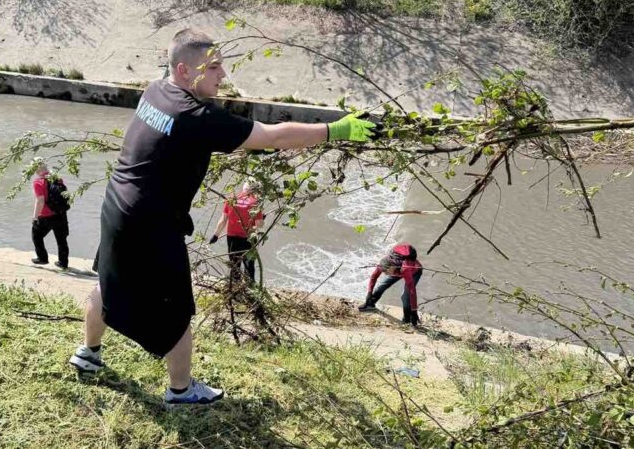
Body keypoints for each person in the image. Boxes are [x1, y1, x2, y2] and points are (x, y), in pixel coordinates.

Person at [68, 28, 380, 407]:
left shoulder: (155, 91)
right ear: (184, 70)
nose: (223, 74)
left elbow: (187, 141)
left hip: (117, 206)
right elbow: (272, 136)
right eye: (213, 67)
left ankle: (88, 353)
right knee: (176, 311)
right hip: (152, 224)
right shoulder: (196, 115)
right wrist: (336, 129)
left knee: (109, 283)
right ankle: (181, 391)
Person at [209, 180, 264, 282]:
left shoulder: (231, 199)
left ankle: (235, 285)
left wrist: (216, 235)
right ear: (256, 190)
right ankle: (250, 285)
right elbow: (259, 224)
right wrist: (262, 217)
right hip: (248, 238)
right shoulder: (255, 203)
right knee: (249, 265)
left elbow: (223, 220)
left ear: (244, 188)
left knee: (234, 265)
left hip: (232, 238)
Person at [358, 243, 423, 326]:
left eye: (386, 272)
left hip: (414, 272)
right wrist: (369, 293)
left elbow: (412, 291)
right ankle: (370, 304)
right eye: (383, 271)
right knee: (382, 285)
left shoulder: (405, 269)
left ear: (392, 267)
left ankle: (407, 319)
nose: (385, 273)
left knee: (405, 296)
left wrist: (414, 311)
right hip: (396, 271)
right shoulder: (383, 264)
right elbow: (374, 277)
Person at [30, 159, 69, 269]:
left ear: (36, 169)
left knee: (36, 235)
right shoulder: (58, 179)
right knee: (61, 240)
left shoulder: (38, 182)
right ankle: (63, 263)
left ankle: (42, 258)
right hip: (61, 214)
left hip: (46, 216)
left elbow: (40, 201)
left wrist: (35, 217)